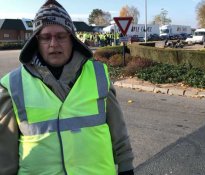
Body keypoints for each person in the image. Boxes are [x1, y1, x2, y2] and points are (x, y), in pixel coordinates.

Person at [0, 0, 134, 175]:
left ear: (72, 39)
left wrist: (126, 168)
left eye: (61, 36)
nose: (53, 44)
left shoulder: (98, 75)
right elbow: (5, 155)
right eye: (46, 37)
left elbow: (119, 131)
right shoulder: (14, 85)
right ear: (36, 41)